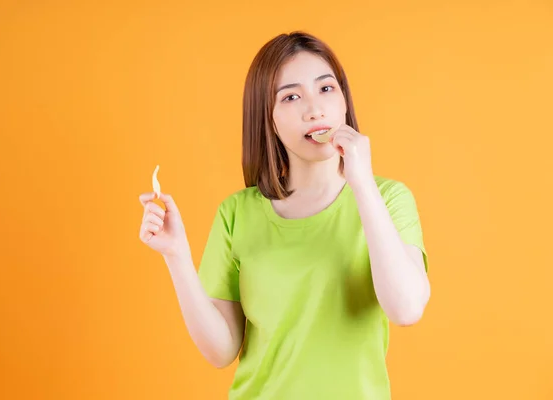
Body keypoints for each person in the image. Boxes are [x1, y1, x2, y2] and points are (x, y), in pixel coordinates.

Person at [138, 31, 430, 400]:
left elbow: (406, 308)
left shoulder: (388, 199)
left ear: (343, 102)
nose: (314, 109)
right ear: (268, 119)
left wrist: (362, 184)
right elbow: (221, 350)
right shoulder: (237, 213)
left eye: (326, 89)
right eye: (291, 96)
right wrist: (176, 255)